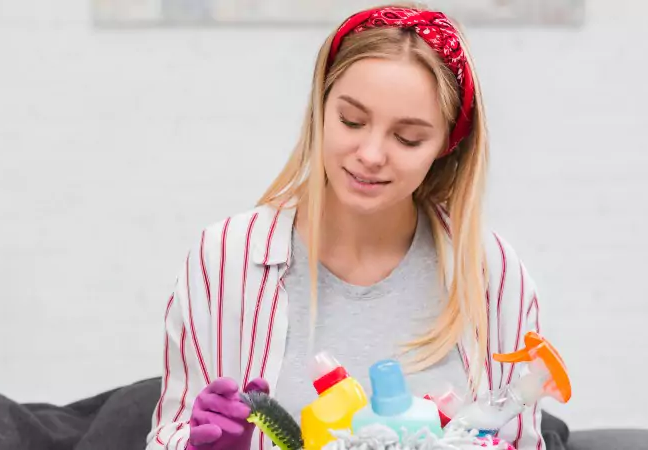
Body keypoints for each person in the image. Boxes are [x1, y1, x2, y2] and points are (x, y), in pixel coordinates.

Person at [145, 3, 545, 450]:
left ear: (446, 145)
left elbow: (521, 440)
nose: (371, 154)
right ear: (320, 106)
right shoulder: (226, 260)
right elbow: (170, 435)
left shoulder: (491, 273)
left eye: (407, 138)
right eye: (351, 121)